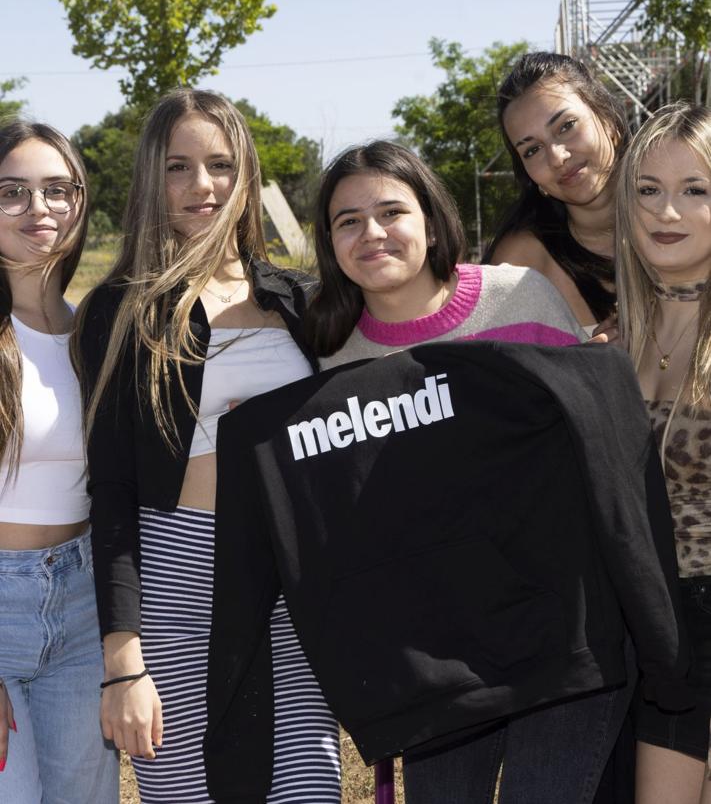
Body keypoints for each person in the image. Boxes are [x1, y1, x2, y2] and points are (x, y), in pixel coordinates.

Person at [305, 139, 638, 804]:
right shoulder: (329, 359)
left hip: (563, 639)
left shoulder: (521, 299)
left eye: (391, 211)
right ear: (328, 242)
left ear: (431, 218)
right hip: (438, 662)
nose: (371, 232)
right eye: (347, 220)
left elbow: (596, 450)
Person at [73, 89, 340, 803]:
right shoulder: (120, 309)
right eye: (178, 167)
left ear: (246, 175)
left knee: (308, 789)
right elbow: (113, 491)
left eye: (220, 164)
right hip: (175, 585)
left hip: (291, 588)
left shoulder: (302, 299)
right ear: (150, 181)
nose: (203, 186)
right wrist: (123, 660)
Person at [0, 121, 119, 802]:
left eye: (56, 190)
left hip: (80, 607)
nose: (38, 209)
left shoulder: (91, 331)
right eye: (12, 192)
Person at [616, 102, 711, 804]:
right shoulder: (610, 344)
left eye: (694, 189)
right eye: (647, 189)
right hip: (649, 634)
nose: (665, 211)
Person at [484, 51, 628, 335]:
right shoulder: (520, 264)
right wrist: (587, 364)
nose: (557, 157)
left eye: (566, 126)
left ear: (608, 121)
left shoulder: (684, 218)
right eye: (532, 150)